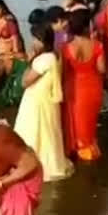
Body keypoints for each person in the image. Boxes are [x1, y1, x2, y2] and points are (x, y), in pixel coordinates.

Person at [14, 24, 74, 181]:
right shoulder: (55, 55)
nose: (32, 42)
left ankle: (35, 165)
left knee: (35, 131)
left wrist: (29, 62)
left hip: (38, 101)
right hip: (46, 100)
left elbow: (25, 82)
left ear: (42, 40)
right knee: (47, 131)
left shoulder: (43, 59)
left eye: (34, 38)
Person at [61, 9, 106, 161]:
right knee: (90, 122)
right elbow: (102, 69)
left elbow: (63, 71)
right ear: (87, 26)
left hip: (74, 87)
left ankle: (76, 149)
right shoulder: (97, 46)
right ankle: (89, 150)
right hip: (93, 86)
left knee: (74, 121)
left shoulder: (66, 48)